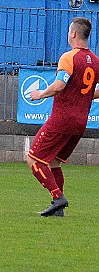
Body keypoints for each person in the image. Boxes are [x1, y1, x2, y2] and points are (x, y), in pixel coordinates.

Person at [28, 17, 99, 217]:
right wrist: (83, 95)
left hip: (62, 119)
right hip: (80, 123)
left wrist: (40, 94)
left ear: (74, 34)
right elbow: (90, 89)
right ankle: (57, 208)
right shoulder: (95, 61)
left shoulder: (69, 57)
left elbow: (59, 85)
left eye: (69, 31)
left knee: (34, 160)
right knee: (54, 163)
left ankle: (58, 197)